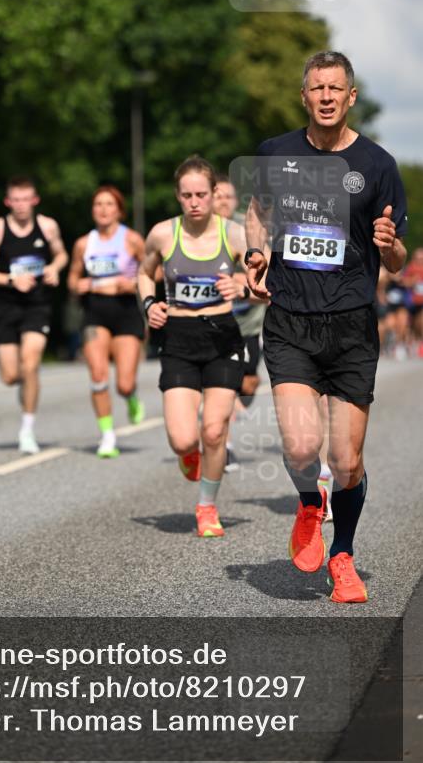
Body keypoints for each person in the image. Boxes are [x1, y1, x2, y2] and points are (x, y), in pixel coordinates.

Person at [245, 50, 407, 603]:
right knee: (299, 448)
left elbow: (398, 258)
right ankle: (309, 504)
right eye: (317, 88)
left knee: (346, 460)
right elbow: (256, 213)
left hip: (352, 328)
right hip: (290, 320)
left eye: (336, 88)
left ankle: (343, 554)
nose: (327, 96)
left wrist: (391, 249)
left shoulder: (379, 165)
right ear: (304, 95)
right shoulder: (276, 154)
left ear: (351, 96)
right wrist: (254, 253)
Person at [138, 156, 248, 537]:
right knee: (184, 438)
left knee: (214, 432)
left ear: (215, 194)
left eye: (202, 193)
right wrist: (149, 304)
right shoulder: (162, 234)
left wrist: (243, 287)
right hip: (179, 339)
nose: (195, 202)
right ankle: (190, 456)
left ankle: (206, 507)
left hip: (223, 337)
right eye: (187, 195)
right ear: (178, 196)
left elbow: (262, 279)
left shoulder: (234, 234)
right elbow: (143, 273)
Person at [0, 177, 68, 454]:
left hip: (37, 305)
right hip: (7, 305)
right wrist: (11, 280)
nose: (21, 205)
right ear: (8, 202)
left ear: (35, 200)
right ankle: (23, 385)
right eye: (16, 200)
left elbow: (61, 254)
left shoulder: (48, 226)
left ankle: (27, 430)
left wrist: (54, 268)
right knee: (10, 375)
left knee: (31, 363)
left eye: (26, 199)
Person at [67, 187, 146, 458]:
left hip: (125, 313)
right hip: (94, 314)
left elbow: (154, 272)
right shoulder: (83, 243)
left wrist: (133, 283)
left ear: (119, 210)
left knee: (123, 383)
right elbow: (72, 278)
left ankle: (131, 396)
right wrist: (79, 284)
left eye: (109, 204)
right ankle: (108, 436)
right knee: (99, 375)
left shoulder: (132, 240)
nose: (102, 209)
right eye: (98, 204)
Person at [213, 174, 266, 471]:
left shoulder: (248, 231)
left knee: (246, 385)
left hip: (247, 324)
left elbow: (264, 276)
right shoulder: (200, 232)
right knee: (221, 385)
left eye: (227, 197)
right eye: (216, 195)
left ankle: (233, 406)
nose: (221, 201)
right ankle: (226, 446)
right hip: (213, 323)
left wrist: (241, 284)